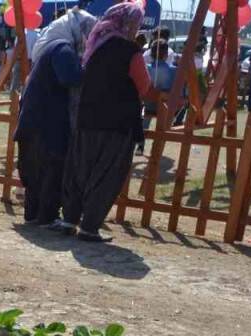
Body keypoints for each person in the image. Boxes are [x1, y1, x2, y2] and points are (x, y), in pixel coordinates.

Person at [55, 1, 151, 242]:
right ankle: (89, 227)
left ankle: (69, 219)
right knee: (107, 174)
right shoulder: (130, 51)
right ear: (130, 24)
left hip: (87, 118)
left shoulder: (96, 44)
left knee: (79, 170)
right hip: (117, 123)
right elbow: (144, 85)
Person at [14, 9, 96, 226]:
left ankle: (33, 214)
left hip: (34, 119)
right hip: (47, 122)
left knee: (35, 170)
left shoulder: (51, 46)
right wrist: (89, 69)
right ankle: (47, 216)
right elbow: (70, 78)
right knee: (51, 168)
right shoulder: (63, 49)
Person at [140, 38, 177, 153]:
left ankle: (140, 145)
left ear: (151, 53)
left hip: (148, 105)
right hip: (166, 108)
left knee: (145, 117)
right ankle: (157, 148)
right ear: (166, 54)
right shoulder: (174, 70)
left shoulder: (145, 68)